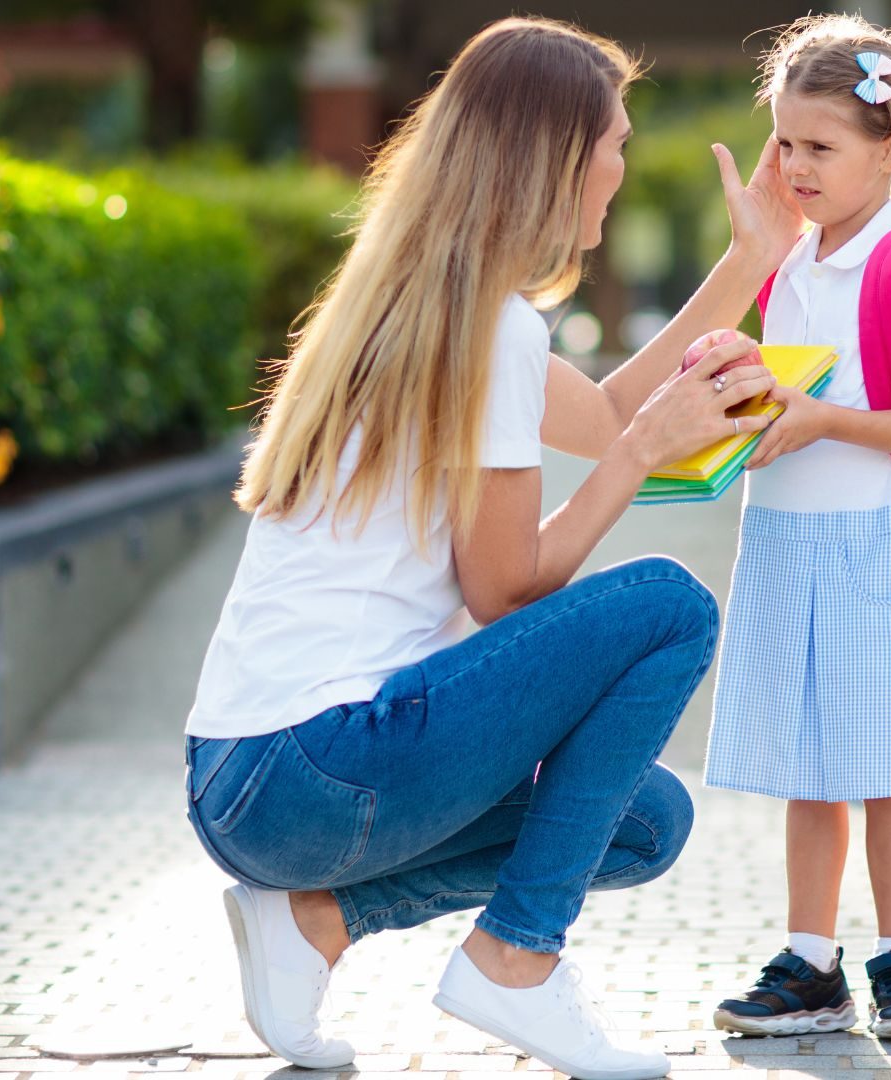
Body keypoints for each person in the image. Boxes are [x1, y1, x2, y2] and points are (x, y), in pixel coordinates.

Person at [180, 17, 801, 1080]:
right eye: (611, 140)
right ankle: (517, 961)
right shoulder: (490, 329)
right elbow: (508, 587)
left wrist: (752, 260)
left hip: (243, 781)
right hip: (316, 768)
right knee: (669, 605)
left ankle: (316, 923)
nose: (619, 164)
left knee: (643, 821)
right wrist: (647, 454)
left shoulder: (419, 302)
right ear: (553, 156)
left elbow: (605, 415)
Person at [705, 14, 891, 1042]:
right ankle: (812, 962)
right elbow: (782, 391)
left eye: (820, 147)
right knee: (811, 770)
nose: (796, 167)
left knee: (884, 768)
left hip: (863, 543)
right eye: (786, 145)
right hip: (781, 538)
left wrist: (819, 420)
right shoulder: (787, 262)